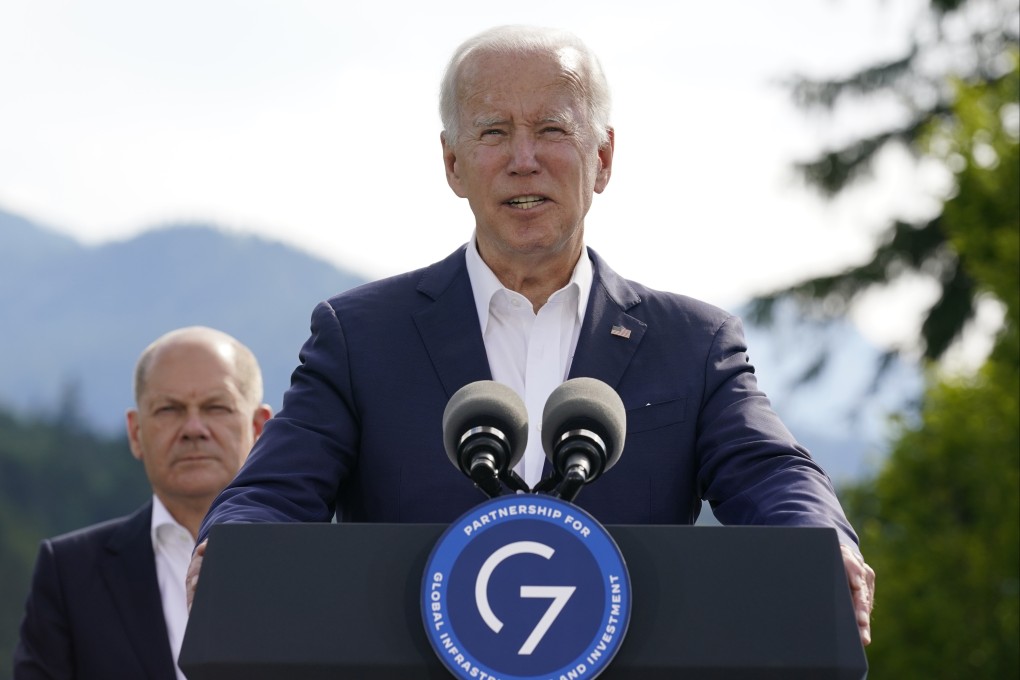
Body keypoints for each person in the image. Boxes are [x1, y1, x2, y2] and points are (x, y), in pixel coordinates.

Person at [189, 25, 875, 646]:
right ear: (453, 163)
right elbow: (274, 490)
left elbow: (771, 472)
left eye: (552, 129)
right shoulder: (359, 336)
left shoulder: (693, 344)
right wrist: (228, 545)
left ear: (603, 157)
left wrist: (822, 546)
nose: (524, 159)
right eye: (492, 132)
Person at [14, 326, 272, 680]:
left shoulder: (314, 562)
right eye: (170, 409)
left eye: (216, 407)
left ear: (260, 427)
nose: (194, 428)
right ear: (135, 432)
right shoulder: (69, 573)